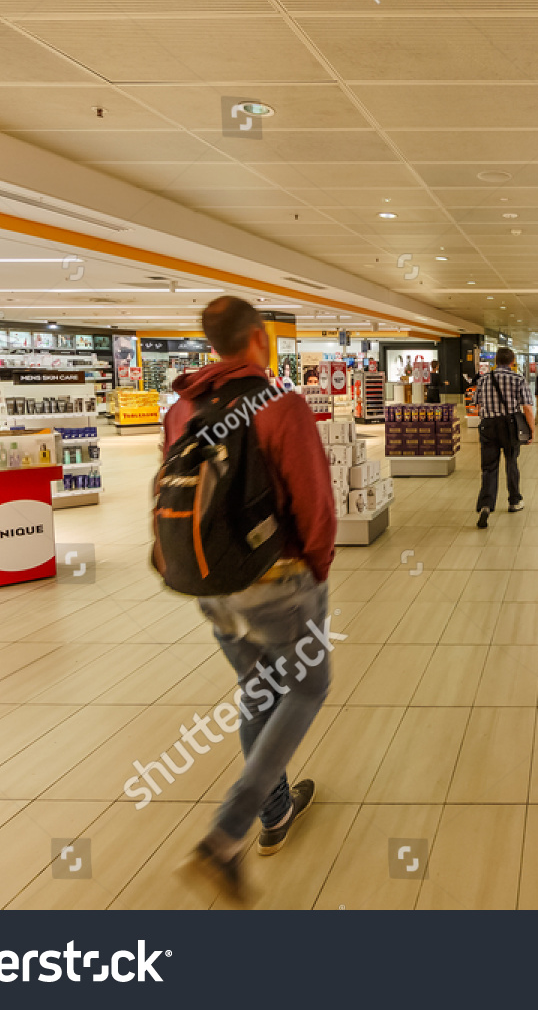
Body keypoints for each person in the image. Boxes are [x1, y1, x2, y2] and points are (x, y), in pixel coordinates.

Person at [169, 297, 337, 901]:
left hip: (212, 588)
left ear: (212, 345)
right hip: (276, 583)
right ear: (260, 339)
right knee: (308, 686)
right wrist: (315, 572)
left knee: (258, 690)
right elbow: (314, 504)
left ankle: (275, 812)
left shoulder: (182, 407)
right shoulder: (280, 406)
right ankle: (226, 833)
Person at [476, 346, 534, 528]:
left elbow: (477, 406)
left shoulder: (483, 379)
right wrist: (531, 430)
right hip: (509, 425)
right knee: (511, 462)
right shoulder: (518, 379)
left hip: (488, 425)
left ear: (495, 361)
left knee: (489, 467)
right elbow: (527, 408)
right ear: (512, 361)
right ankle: (514, 501)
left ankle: (486, 505)